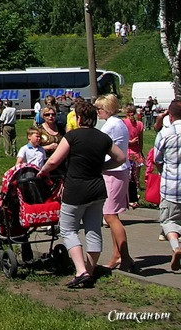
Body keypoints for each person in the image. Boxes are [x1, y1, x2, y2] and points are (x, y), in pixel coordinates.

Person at [37, 102, 127, 288]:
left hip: (76, 189)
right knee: (93, 229)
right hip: (98, 189)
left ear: (78, 118)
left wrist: (43, 171)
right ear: (94, 118)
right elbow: (121, 158)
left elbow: (54, 160)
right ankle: (91, 270)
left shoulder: (72, 136)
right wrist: (103, 166)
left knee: (68, 229)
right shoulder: (103, 138)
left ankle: (81, 271)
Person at [96, 94, 134, 271]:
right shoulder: (118, 123)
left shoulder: (111, 125)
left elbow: (98, 143)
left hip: (114, 172)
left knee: (110, 216)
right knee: (112, 215)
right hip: (117, 170)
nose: (98, 112)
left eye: (99, 109)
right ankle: (117, 254)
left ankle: (125, 257)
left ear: (108, 109)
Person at [153, 99, 181, 272]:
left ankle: (175, 246)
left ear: (170, 116)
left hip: (171, 185)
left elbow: (157, 158)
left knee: (168, 220)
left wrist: (162, 169)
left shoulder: (165, 133)